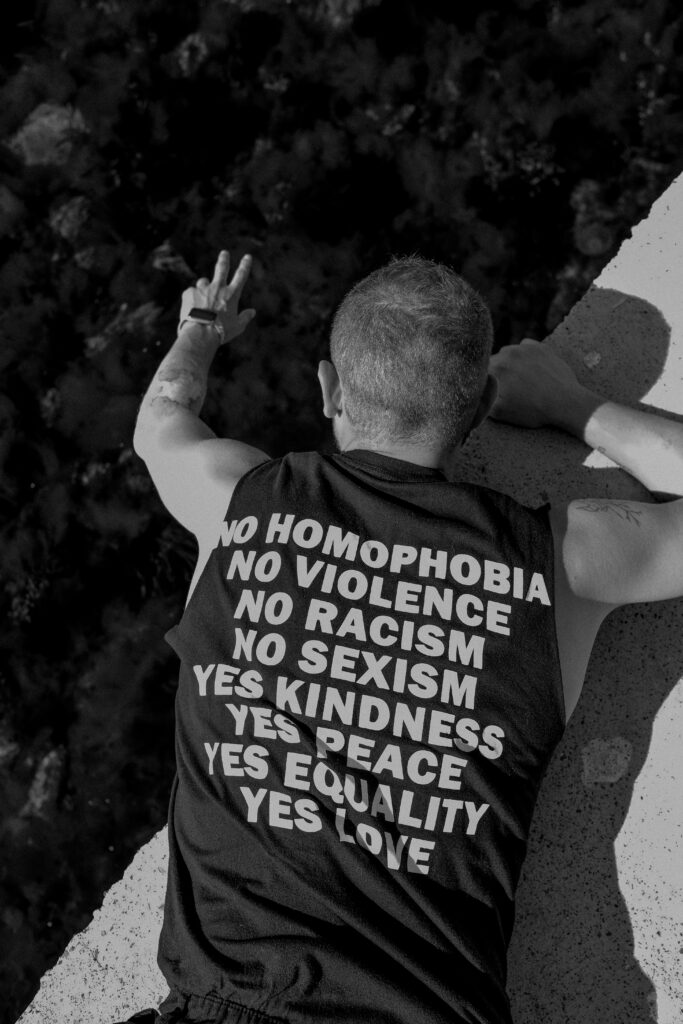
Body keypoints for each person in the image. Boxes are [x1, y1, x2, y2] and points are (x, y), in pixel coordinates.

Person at [123, 249, 683, 1024]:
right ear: (481, 401)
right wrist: (572, 404)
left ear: (327, 390)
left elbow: (161, 420)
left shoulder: (236, 500)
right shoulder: (559, 559)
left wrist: (201, 328)